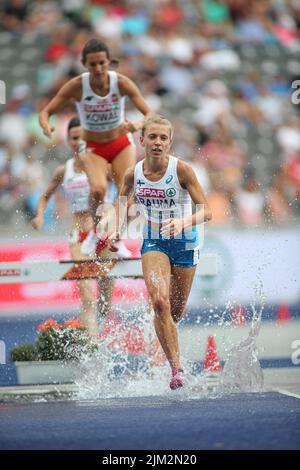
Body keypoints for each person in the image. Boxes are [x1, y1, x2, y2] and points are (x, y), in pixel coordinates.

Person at [109, 115, 212, 389]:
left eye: (163, 138)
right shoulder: (134, 173)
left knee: (174, 314)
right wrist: (117, 229)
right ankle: (176, 370)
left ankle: (165, 345)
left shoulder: (183, 171)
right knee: (159, 303)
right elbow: (124, 203)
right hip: (154, 241)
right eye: (152, 137)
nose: (157, 143)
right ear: (141, 140)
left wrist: (182, 221)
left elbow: (208, 211)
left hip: (185, 242)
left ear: (170, 142)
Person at [39, 38, 152, 256]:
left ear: (109, 61)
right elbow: (46, 112)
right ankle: (96, 232)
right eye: (93, 64)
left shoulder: (121, 83)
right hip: (93, 146)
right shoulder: (77, 86)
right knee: (98, 189)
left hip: (121, 144)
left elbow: (149, 114)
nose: (98, 68)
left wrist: (137, 124)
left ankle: (115, 238)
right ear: (84, 64)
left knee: (126, 194)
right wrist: (46, 126)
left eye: (102, 63)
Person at [31, 117, 114, 335]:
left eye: (84, 138)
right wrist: (40, 215)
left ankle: (104, 325)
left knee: (106, 294)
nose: (80, 142)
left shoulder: (103, 165)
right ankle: (91, 342)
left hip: (103, 231)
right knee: (87, 294)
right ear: (68, 140)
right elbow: (45, 196)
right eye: (75, 138)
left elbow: (126, 186)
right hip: (78, 234)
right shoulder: (63, 170)